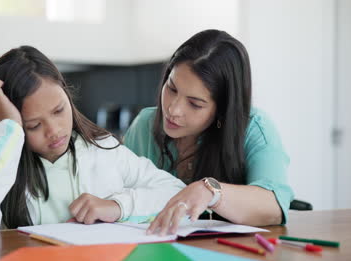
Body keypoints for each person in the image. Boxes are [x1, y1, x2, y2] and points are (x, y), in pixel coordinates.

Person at [0, 46, 185, 237]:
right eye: (33, 125)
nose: (54, 131)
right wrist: (8, 131)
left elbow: (177, 194)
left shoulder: (104, 150)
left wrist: (116, 206)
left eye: (58, 110)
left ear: (67, 95)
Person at [123, 29, 294, 235]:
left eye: (195, 104)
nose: (173, 110)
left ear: (222, 110)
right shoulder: (144, 125)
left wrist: (210, 192)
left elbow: (273, 206)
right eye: (172, 88)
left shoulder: (255, 128)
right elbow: (119, 192)